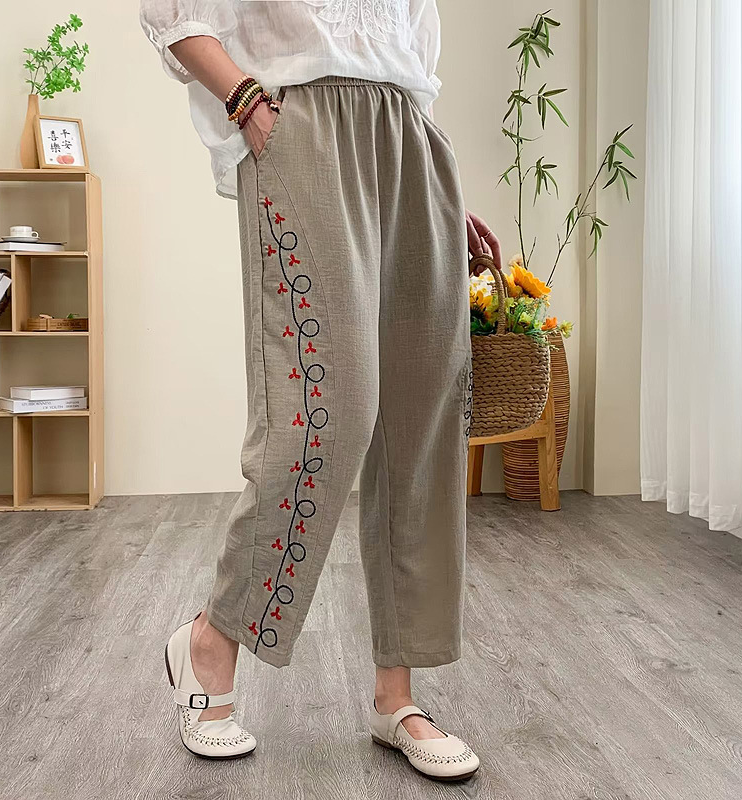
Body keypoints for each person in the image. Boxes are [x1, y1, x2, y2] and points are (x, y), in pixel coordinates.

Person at [140, 0, 503, 781]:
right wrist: (244, 100)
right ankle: (211, 640)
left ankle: (396, 696)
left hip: (409, 140)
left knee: (422, 419)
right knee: (323, 414)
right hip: (302, 122)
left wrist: (439, 192)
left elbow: (405, 56)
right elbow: (172, 11)